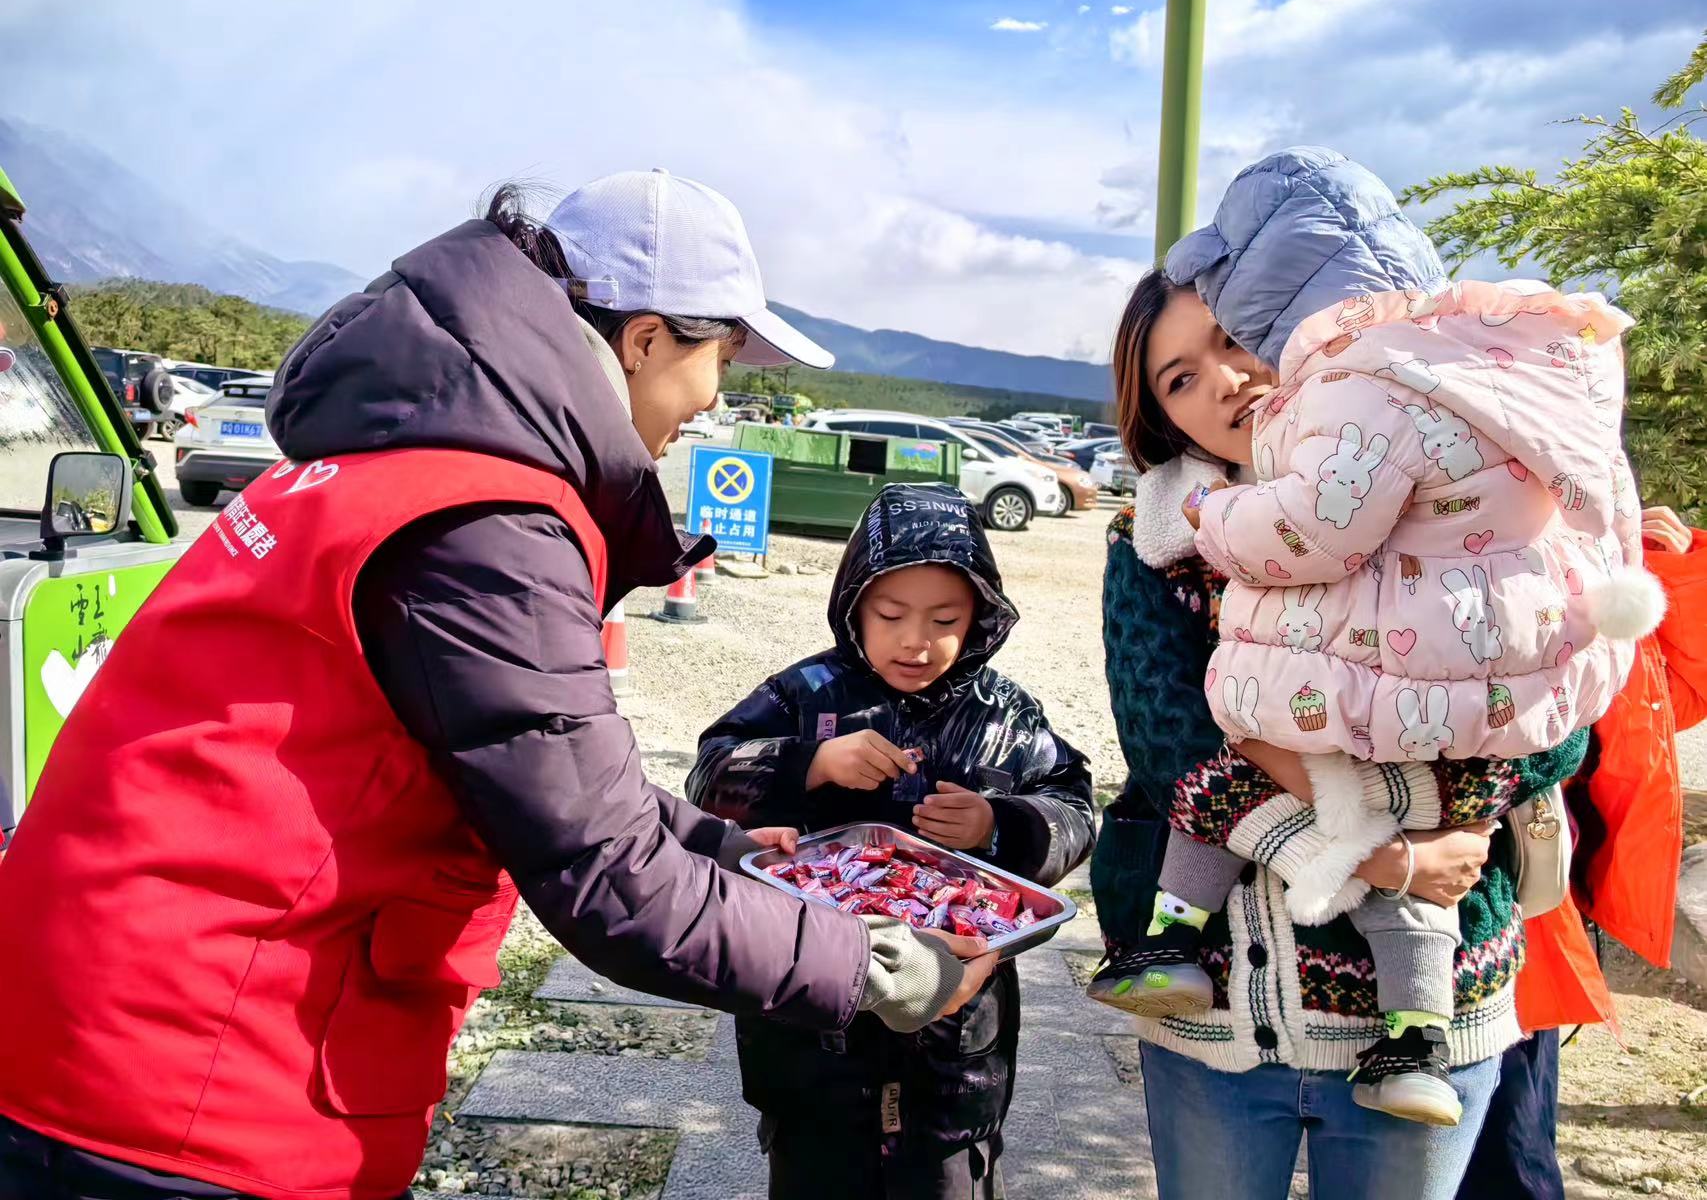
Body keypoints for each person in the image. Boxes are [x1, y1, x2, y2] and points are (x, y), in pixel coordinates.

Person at [0, 171, 995, 1200]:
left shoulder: (402, 457)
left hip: (101, 1006)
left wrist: (728, 850)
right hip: (187, 1069)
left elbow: (542, 774)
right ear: (647, 338)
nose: (715, 398)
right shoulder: (491, 520)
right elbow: (608, 877)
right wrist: (879, 964)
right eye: (722, 357)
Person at [1088, 147, 1658, 1128]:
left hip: (1444, 992)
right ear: (1161, 418)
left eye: (1232, 340)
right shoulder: (1158, 546)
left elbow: (1554, 722)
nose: (1224, 380)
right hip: (1222, 1003)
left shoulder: (1471, 497)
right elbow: (1172, 745)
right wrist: (1390, 856)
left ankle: (1415, 1032)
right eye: (1181, 378)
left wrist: (1431, 785)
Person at [687, 482, 1095, 1200]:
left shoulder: (1004, 712)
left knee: (947, 1174)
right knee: (815, 1168)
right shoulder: (803, 693)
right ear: (853, 606)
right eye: (890, 613)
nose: (916, 640)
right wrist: (810, 763)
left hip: (956, 1025)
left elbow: (1072, 805)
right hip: (813, 1008)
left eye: (945, 618)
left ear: (982, 619)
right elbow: (710, 772)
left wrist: (1000, 824)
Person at [1461, 503, 1707, 1199]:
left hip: (1542, 909)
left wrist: (1671, 570)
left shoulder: (1597, 591)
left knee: (1507, 1143)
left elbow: (1679, 696)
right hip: (1447, 901)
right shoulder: (1441, 573)